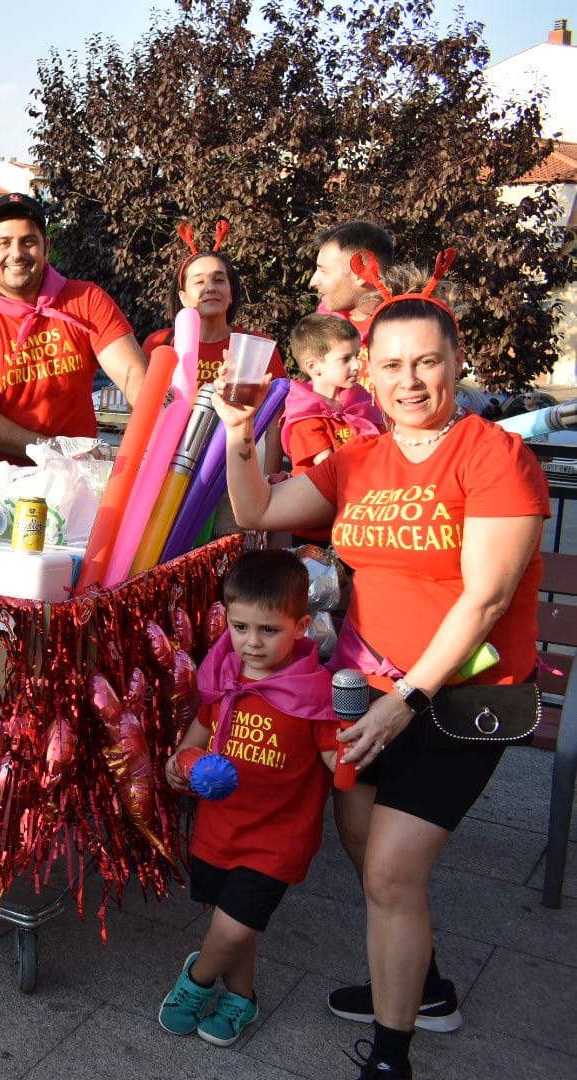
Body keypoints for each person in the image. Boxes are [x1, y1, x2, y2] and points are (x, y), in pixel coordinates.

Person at [213, 256, 548, 1079]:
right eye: (391, 365)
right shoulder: (359, 459)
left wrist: (408, 702)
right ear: (368, 370)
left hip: (459, 701)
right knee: (372, 864)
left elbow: (484, 598)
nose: (409, 380)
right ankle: (421, 986)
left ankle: (391, 1059)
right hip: (364, 695)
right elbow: (256, 510)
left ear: (457, 363)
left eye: (427, 362)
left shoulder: (493, 456)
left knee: (393, 871)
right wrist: (236, 430)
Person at [160, 549, 339, 1047]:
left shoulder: (315, 694)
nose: (251, 642)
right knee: (233, 925)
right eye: (240, 628)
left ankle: (195, 983)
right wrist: (179, 765)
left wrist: (358, 753)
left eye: (268, 630)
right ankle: (241, 998)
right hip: (220, 830)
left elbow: (335, 760)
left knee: (233, 928)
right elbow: (197, 736)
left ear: (301, 626)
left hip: (279, 839)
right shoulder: (223, 679)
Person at [0, 192, 147, 496]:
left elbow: (134, 379)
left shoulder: (85, 299)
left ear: (46, 247)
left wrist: (157, 434)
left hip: (77, 486)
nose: (17, 253)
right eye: (4, 242)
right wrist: (53, 450)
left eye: (29, 241)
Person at [142, 227, 285, 388]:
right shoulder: (160, 344)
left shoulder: (255, 346)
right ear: (183, 297)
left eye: (219, 280)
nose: (210, 288)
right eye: (199, 282)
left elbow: (279, 407)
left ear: (231, 294)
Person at [281, 314, 383, 475]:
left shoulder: (361, 403)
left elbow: (384, 448)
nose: (356, 365)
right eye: (345, 359)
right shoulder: (305, 419)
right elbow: (329, 470)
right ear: (314, 367)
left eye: (356, 356)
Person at [310, 221, 396, 344]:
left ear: (362, 273)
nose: (313, 281)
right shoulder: (322, 328)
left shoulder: (406, 330)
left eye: (324, 271)